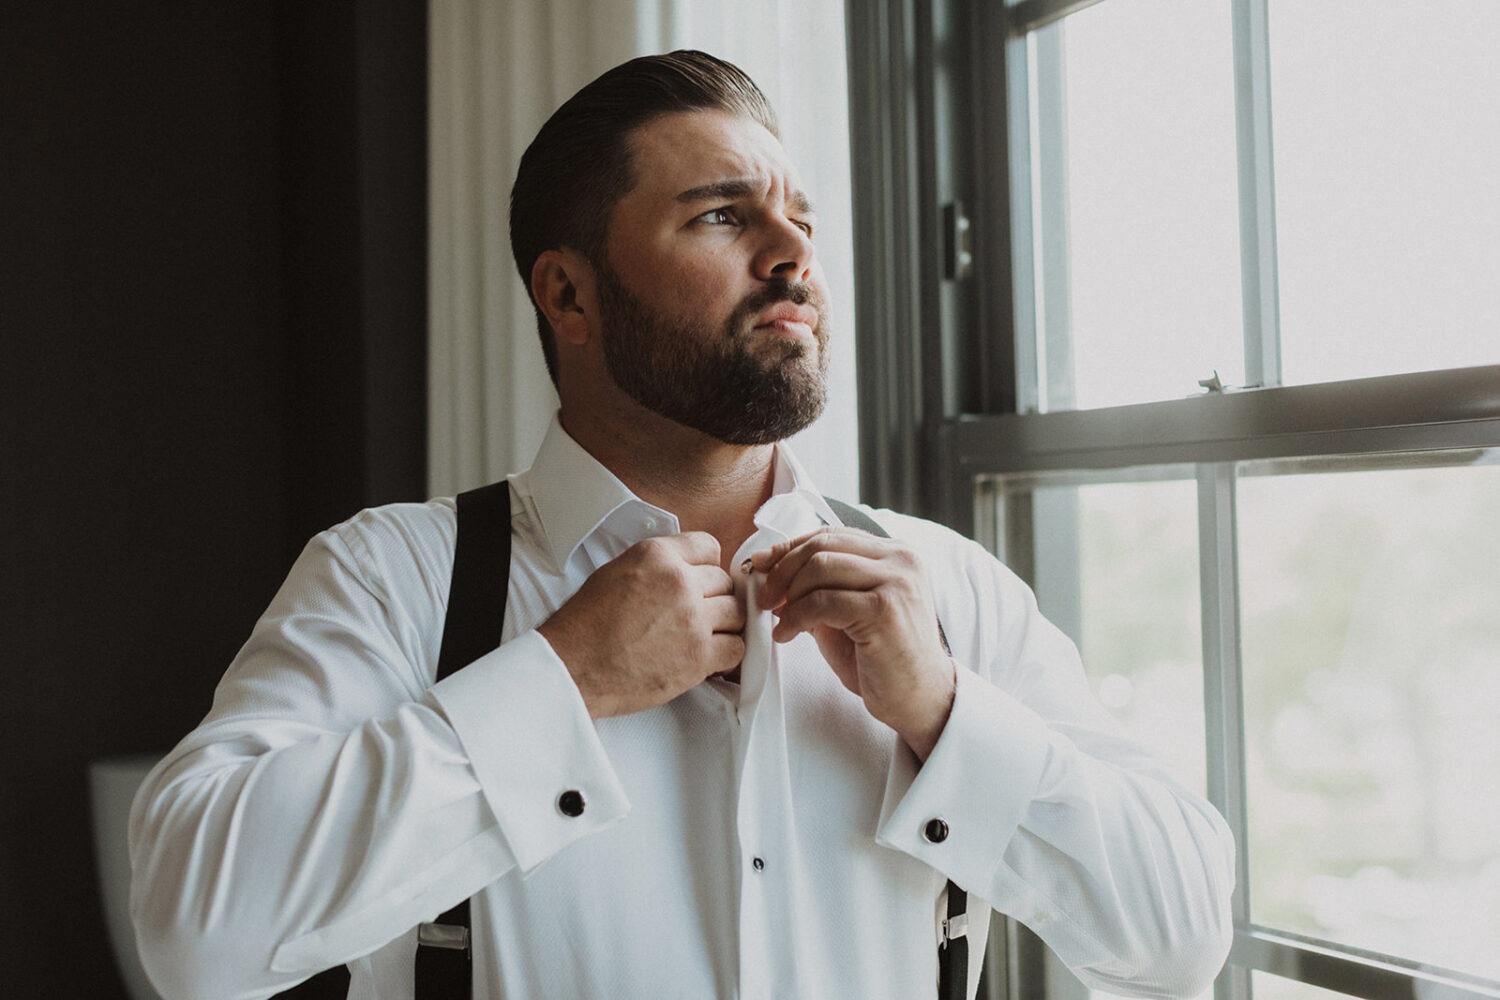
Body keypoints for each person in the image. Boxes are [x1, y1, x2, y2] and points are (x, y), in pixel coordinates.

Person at [129, 50, 1234, 1000]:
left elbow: (1180, 935)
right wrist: (563, 682)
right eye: (721, 215)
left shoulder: (946, 590)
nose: (793, 254)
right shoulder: (393, 579)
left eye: (799, 219)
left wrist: (946, 714)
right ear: (569, 297)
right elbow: (194, 933)